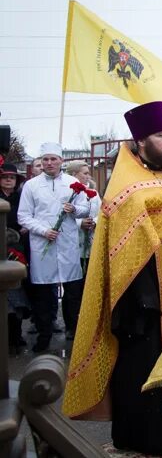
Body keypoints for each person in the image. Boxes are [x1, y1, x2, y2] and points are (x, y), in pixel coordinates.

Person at [63, 101, 162, 455]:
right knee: (143, 359)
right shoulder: (126, 183)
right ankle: (143, 436)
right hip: (143, 291)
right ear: (141, 141)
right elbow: (123, 243)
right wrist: (144, 295)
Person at [18, 143, 89, 352]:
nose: (50, 163)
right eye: (46, 159)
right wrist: (42, 230)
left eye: (54, 159)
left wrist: (74, 209)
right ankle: (44, 335)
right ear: (42, 161)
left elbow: (85, 209)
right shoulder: (31, 186)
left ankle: (74, 332)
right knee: (43, 294)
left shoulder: (72, 182)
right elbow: (23, 215)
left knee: (73, 292)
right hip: (43, 245)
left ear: (61, 161)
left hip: (67, 245)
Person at [64, 160, 101, 340]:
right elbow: (63, 216)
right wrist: (80, 223)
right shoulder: (68, 191)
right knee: (72, 289)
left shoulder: (94, 194)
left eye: (88, 173)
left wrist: (94, 222)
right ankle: (71, 325)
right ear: (74, 174)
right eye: (84, 173)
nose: (88, 176)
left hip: (90, 245)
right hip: (74, 245)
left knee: (89, 286)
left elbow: (101, 213)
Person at [2, 163, 30, 353]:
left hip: (18, 251)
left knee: (18, 292)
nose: (9, 180)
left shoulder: (21, 198)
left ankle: (16, 336)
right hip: (1, 251)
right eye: (5, 177)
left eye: (12, 177)